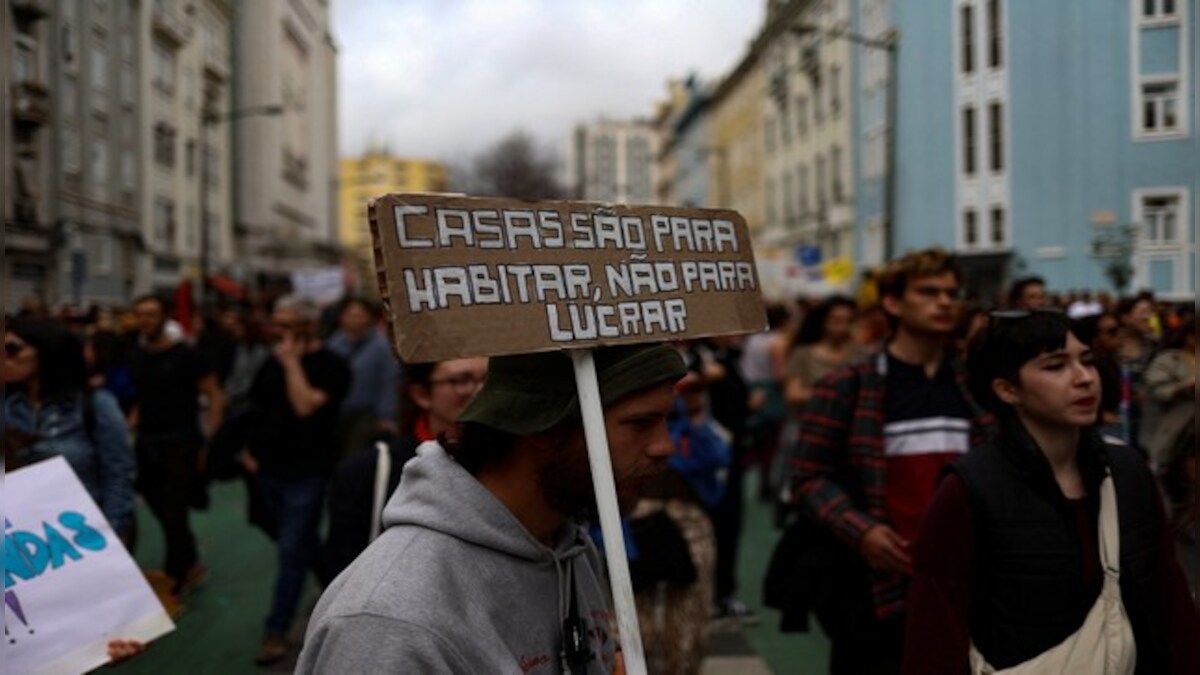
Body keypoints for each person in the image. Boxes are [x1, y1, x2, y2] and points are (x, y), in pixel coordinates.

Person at [297, 344, 686, 674]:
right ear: (543, 430)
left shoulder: (570, 549)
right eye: (640, 423)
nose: (664, 447)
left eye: (666, 420)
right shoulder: (391, 623)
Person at [903, 310, 1200, 674]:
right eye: (1055, 366)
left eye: (1087, 361)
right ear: (1008, 390)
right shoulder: (967, 489)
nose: (1084, 378)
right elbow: (936, 632)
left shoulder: (1127, 473)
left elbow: (1169, 602)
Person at [790, 248, 994, 674]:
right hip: (876, 588)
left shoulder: (976, 386)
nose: (945, 302)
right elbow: (808, 477)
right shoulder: (849, 385)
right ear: (893, 302)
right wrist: (862, 532)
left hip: (966, 584)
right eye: (929, 292)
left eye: (952, 293)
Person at [240, 295, 351, 666]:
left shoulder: (331, 365)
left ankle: (276, 630)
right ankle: (342, 588)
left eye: (288, 325)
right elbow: (256, 406)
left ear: (309, 325)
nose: (280, 333)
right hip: (268, 469)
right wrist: (248, 450)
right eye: (277, 324)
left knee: (291, 551)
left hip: (307, 471)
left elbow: (305, 405)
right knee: (299, 542)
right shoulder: (268, 363)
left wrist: (291, 364)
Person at [319, 356, 488, 585]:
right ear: (421, 394)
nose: (479, 391)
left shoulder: (514, 466)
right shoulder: (369, 471)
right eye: (461, 380)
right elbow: (341, 570)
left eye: (488, 380)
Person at [632, 366, 731, 674]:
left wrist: (696, 412)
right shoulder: (631, 424)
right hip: (636, 517)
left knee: (688, 619)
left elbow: (716, 460)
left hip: (688, 520)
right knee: (631, 620)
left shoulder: (696, 431)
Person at [4, 319, 136, 540]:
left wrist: (112, 534)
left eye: (12, 349)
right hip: (22, 538)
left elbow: (118, 474)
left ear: (47, 350)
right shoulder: (8, 406)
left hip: (81, 536)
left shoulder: (95, 405)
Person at [129, 295, 224, 595]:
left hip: (180, 443)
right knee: (159, 506)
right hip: (147, 442)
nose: (145, 320)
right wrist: (129, 427)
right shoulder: (138, 355)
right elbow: (142, 399)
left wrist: (211, 437)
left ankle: (176, 578)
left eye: (151, 314)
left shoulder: (187, 355)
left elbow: (214, 394)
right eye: (140, 314)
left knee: (174, 512)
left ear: (164, 317)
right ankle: (191, 560)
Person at [326, 297, 402, 458]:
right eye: (350, 314)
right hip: (337, 412)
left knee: (354, 453)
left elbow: (389, 381)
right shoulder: (332, 345)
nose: (354, 319)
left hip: (366, 414)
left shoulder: (381, 347)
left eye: (359, 315)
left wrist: (386, 415)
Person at [1140, 319, 1195, 472]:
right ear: (1189, 337)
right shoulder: (1169, 359)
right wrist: (1185, 387)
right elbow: (1157, 388)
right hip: (1177, 425)